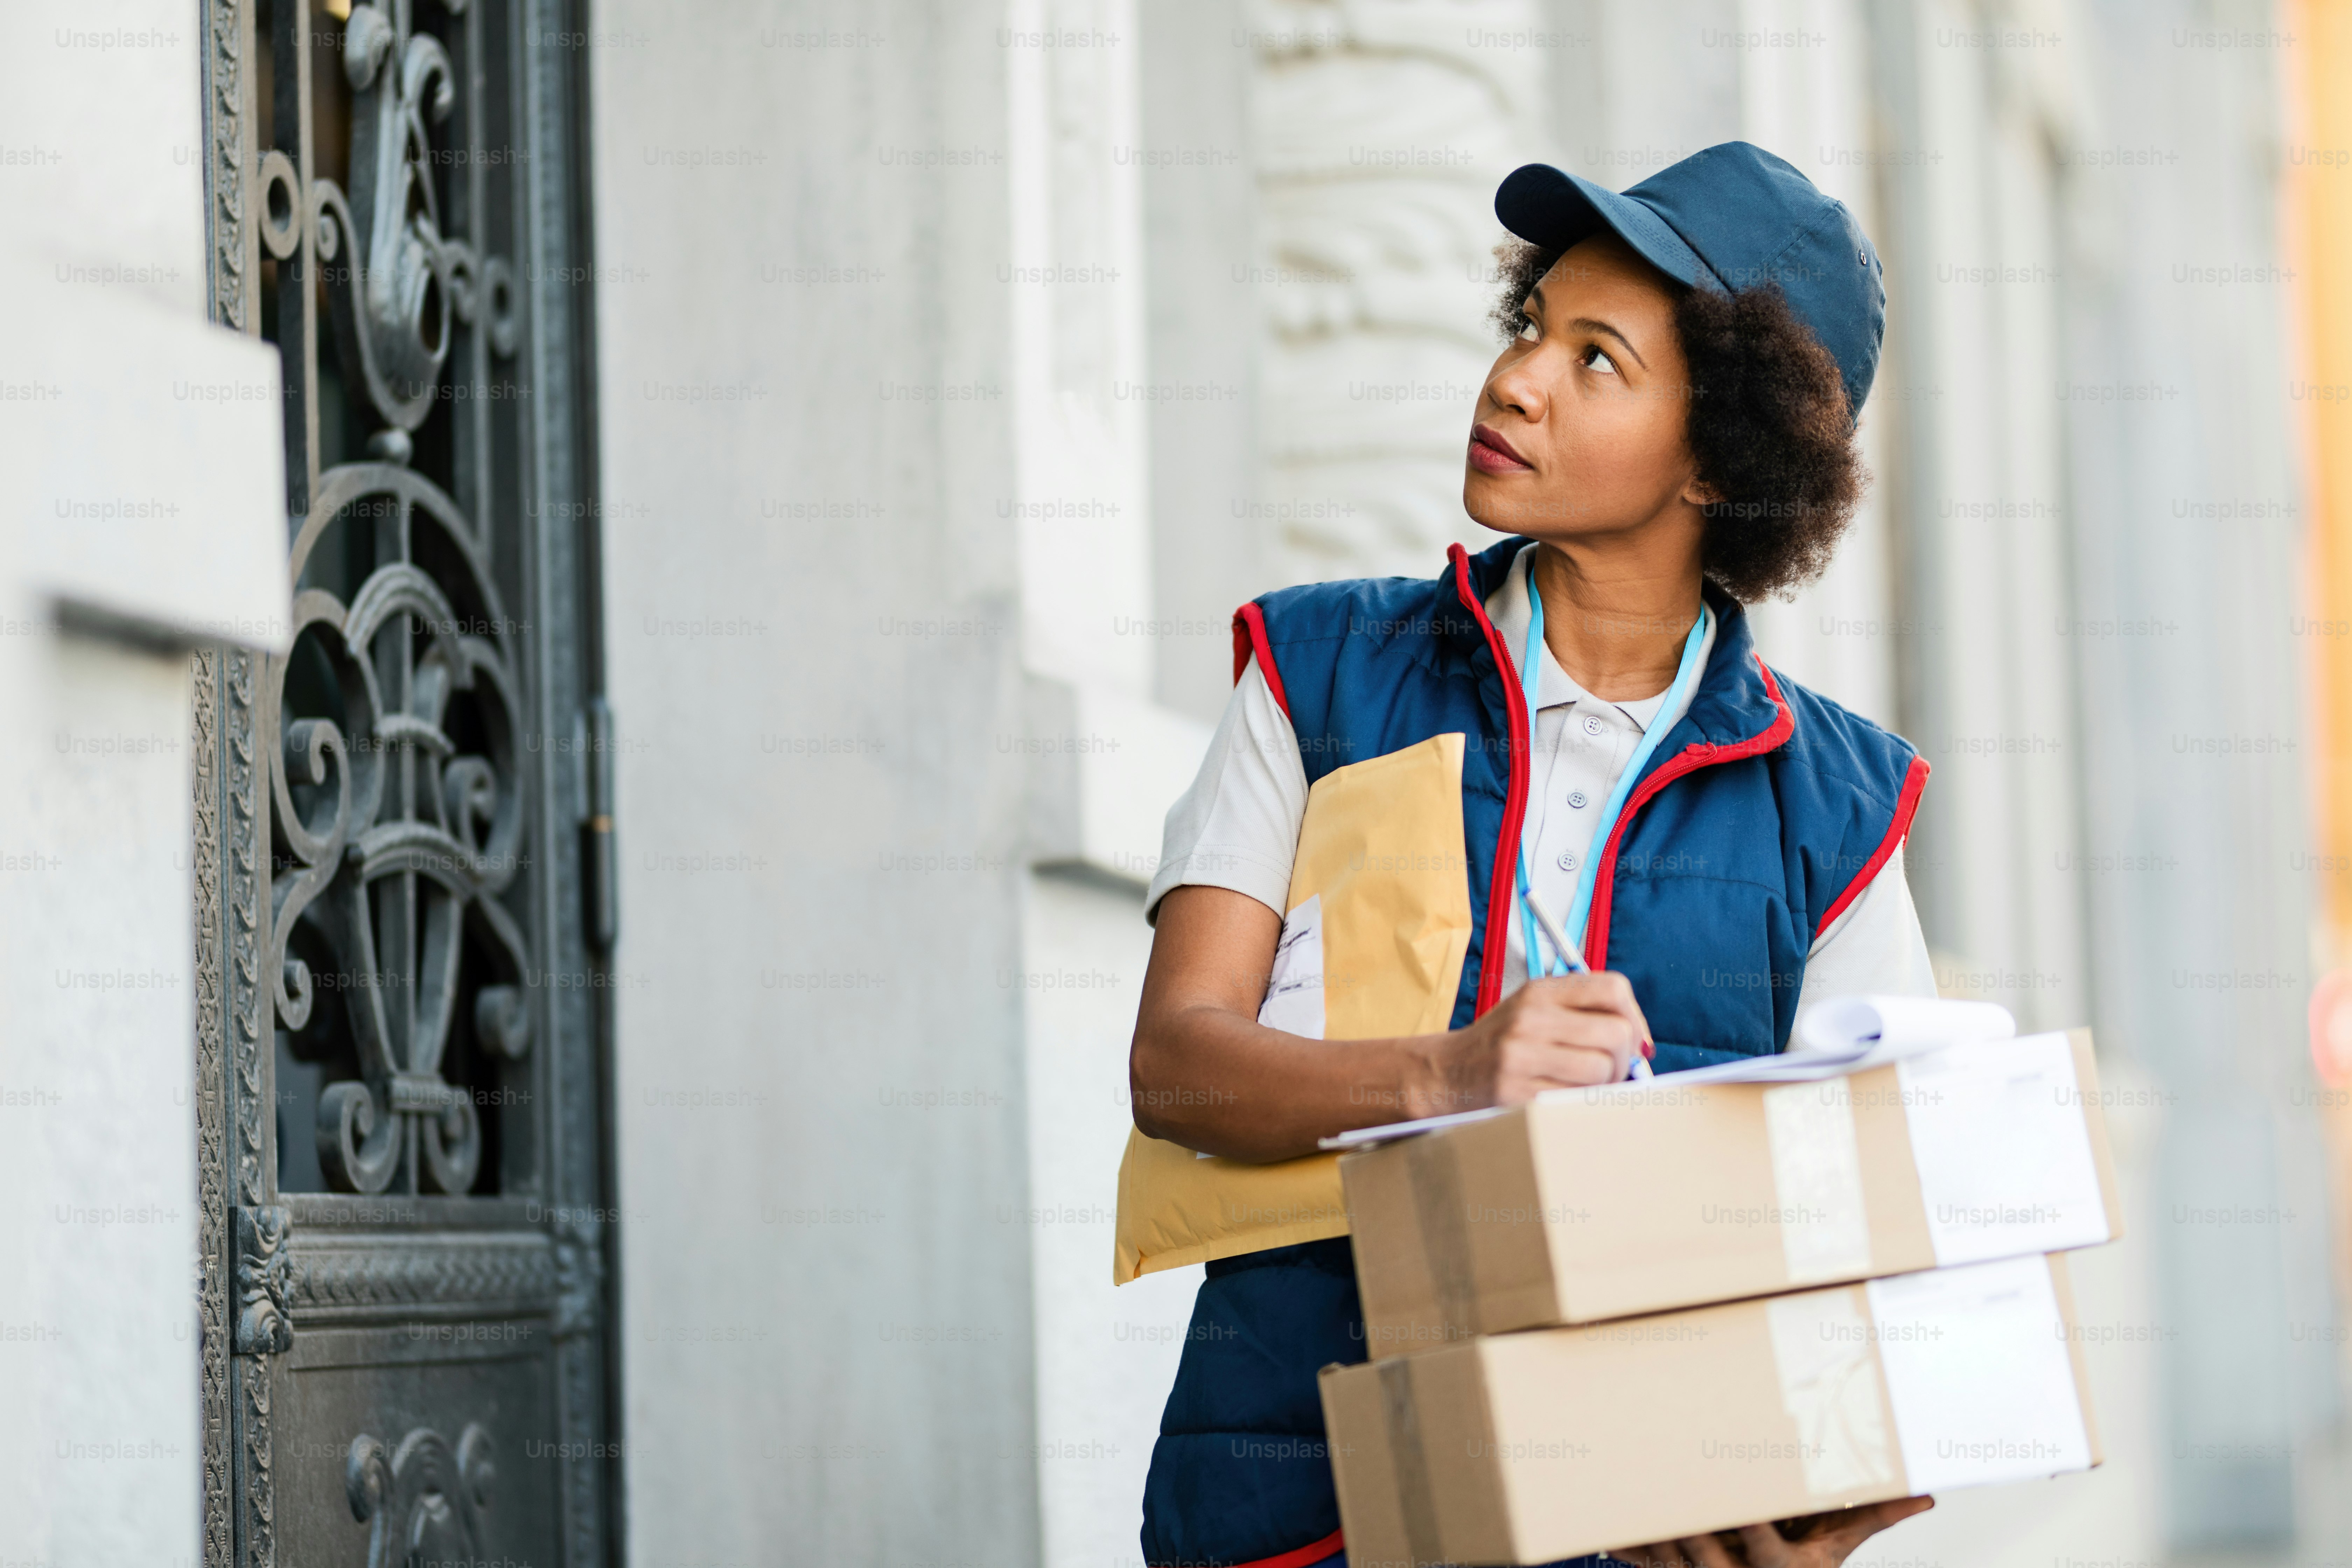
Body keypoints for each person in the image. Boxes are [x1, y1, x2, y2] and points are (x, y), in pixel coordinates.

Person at [1120, 144, 1942, 1568]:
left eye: (1599, 359)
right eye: (1529, 327)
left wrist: (1817, 1517)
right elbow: (1176, 1062)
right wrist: (1447, 1073)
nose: (1517, 380)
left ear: (1723, 456)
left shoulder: (1844, 812)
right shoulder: (1311, 674)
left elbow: (1876, 1234)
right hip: (1302, 1518)